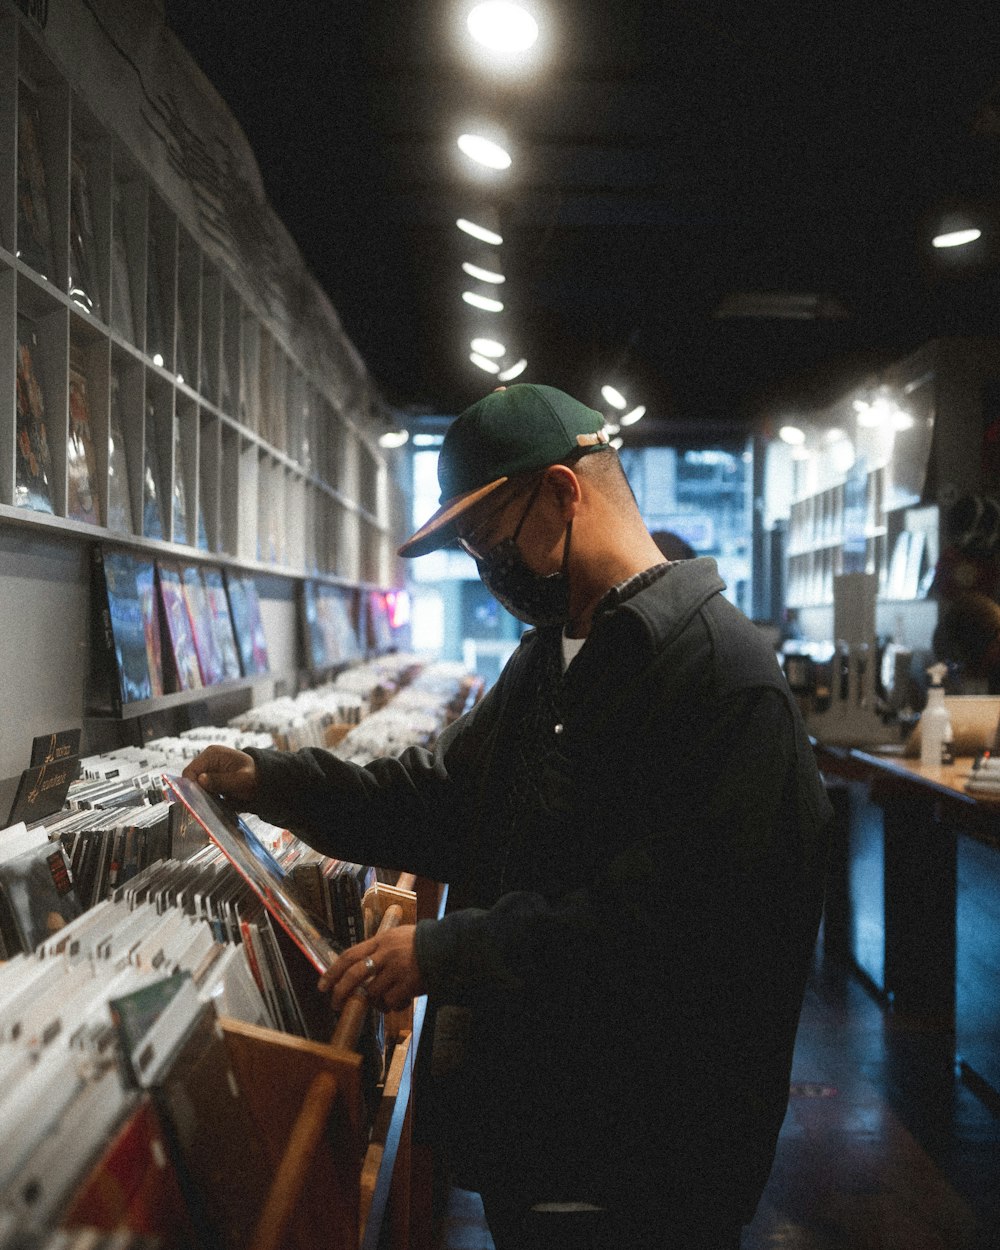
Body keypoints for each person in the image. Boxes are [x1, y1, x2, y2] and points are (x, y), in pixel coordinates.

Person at [183, 383, 832, 1250]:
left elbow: (679, 929)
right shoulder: (551, 660)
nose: (492, 573)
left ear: (564, 494)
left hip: (649, 1163)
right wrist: (271, 780)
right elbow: (436, 801)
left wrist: (447, 952)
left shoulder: (723, 678)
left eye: (492, 540)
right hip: (543, 1139)